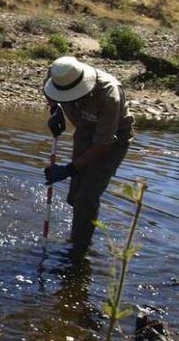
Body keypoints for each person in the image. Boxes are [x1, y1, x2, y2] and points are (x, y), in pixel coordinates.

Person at [42, 56, 135, 258]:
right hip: (85, 131)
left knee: (86, 198)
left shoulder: (109, 94)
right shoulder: (59, 73)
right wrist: (55, 109)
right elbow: (47, 85)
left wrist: (68, 169)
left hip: (112, 141)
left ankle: (79, 252)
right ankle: (78, 233)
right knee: (74, 197)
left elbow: (103, 145)